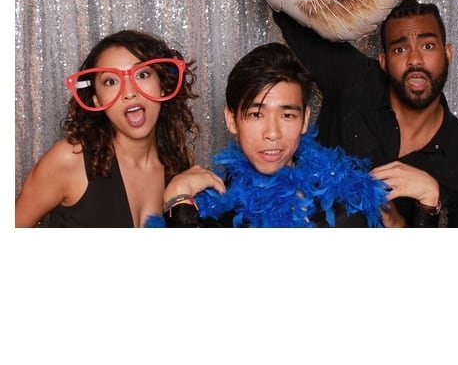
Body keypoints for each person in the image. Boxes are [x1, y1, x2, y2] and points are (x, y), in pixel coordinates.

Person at [273, 0, 458, 226]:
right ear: (383, 61)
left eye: (428, 46)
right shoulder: (353, 79)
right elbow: (286, 3)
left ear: (448, 53)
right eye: (400, 49)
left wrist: (427, 203)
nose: (415, 60)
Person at [160, 46, 390, 227]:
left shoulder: (348, 201)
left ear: (305, 120)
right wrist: (177, 199)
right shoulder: (210, 212)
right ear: (231, 120)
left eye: (287, 115)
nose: (272, 133)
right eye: (256, 114)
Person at [16, 30, 196, 227]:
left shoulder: (178, 163)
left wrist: (180, 191)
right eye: (111, 81)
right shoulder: (69, 159)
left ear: (163, 85)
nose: (129, 92)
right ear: (97, 100)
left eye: (142, 74)